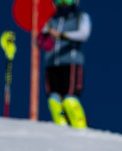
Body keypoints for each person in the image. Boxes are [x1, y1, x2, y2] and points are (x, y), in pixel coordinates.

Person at [37, 0, 91, 128]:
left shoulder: (80, 16)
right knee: (55, 99)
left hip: (71, 62)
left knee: (70, 98)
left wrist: (62, 35)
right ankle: (62, 123)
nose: (64, 3)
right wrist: (42, 39)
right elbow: (41, 37)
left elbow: (84, 34)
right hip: (52, 64)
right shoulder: (51, 21)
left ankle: (79, 125)